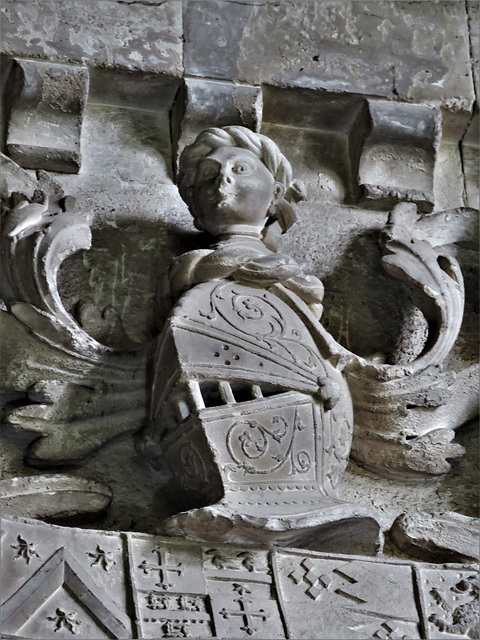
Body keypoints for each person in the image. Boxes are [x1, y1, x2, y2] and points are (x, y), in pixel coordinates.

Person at [168, 126, 325, 319]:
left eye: (240, 169)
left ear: (275, 194)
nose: (223, 177)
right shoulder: (190, 267)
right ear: (194, 201)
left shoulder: (298, 279)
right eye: (209, 173)